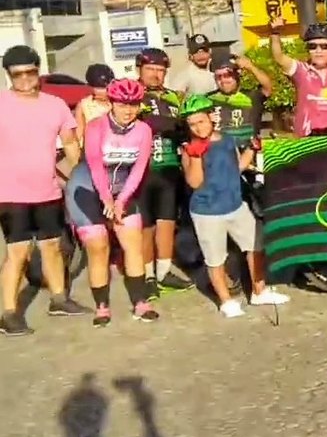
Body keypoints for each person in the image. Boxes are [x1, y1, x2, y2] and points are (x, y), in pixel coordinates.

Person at [0, 45, 88, 336]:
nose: (25, 78)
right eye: (18, 74)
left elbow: (71, 142)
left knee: (52, 247)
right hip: (11, 195)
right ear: (9, 75)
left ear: (38, 71)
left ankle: (59, 299)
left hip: (48, 191)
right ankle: (9, 314)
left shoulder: (55, 105)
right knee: (19, 254)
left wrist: (80, 175)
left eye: (30, 72)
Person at [179, 94, 290, 317]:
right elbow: (194, 182)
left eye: (201, 121)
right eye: (192, 124)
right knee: (215, 257)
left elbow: (238, 166)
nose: (197, 128)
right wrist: (197, 157)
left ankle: (259, 291)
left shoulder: (228, 140)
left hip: (236, 205)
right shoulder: (187, 148)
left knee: (256, 245)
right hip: (207, 212)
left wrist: (252, 149)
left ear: (212, 117)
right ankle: (226, 301)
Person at [65, 79, 158, 326]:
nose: (128, 110)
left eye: (134, 105)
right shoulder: (97, 126)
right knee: (99, 248)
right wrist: (107, 199)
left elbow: (139, 170)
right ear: (112, 103)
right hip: (87, 189)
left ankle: (140, 302)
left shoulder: (143, 130)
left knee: (132, 244)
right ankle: (102, 306)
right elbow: (95, 165)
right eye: (122, 104)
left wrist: (122, 200)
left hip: (123, 189)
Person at [134, 47, 194, 298]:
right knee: (145, 227)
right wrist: (172, 125)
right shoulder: (132, 94)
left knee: (167, 223)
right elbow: (145, 123)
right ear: (140, 69)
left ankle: (164, 272)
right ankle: (146, 276)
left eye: (161, 70)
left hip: (170, 169)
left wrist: (177, 126)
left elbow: (186, 126)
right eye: (151, 69)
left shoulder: (173, 97)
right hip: (142, 171)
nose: (156, 75)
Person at [206, 53, 272, 147]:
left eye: (227, 75)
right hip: (221, 152)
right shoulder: (208, 99)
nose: (223, 80)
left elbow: (268, 87)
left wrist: (251, 67)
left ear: (237, 75)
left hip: (249, 150)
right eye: (219, 77)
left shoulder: (251, 96)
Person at [75, 63, 114, 144]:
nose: (102, 92)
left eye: (105, 88)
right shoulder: (84, 105)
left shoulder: (118, 102)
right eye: (98, 88)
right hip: (93, 148)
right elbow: (79, 132)